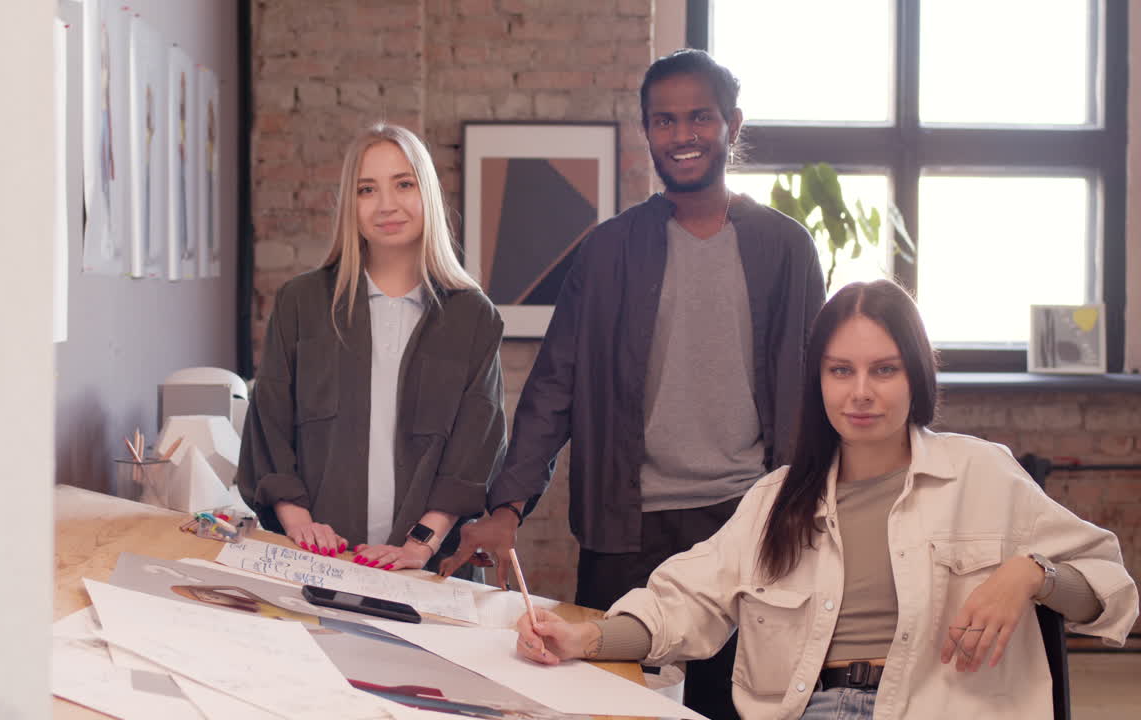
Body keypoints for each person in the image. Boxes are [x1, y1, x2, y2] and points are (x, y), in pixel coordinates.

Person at [513, 280, 1139, 720]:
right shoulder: (776, 501)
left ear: (916, 375)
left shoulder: (983, 474)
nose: (861, 393)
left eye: (883, 370)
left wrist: (1032, 573)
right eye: (841, 371)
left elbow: (1111, 588)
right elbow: (682, 603)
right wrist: (583, 639)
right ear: (818, 381)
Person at [439, 49, 825, 716]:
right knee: (614, 703)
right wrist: (506, 508)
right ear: (647, 131)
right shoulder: (609, 249)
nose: (682, 136)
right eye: (665, 121)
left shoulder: (785, 247)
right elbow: (553, 387)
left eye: (699, 118)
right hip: (627, 528)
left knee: (737, 706)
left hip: (750, 521)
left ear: (731, 124)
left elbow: (821, 388)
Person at [236, 123, 506, 574]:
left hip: (429, 567)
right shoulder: (300, 303)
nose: (386, 205)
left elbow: (477, 448)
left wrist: (421, 543)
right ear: (351, 204)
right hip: (315, 559)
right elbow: (270, 426)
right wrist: (301, 525)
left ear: (428, 194)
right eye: (366, 189)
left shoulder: (473, 315)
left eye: (403, 184)